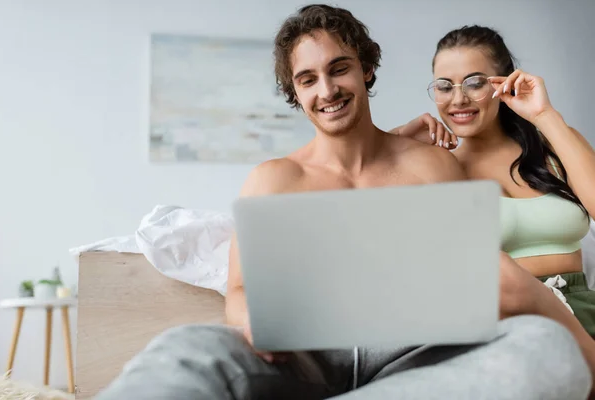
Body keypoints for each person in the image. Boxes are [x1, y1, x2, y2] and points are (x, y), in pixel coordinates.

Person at [95, 6, 594, 400]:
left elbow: (465, 278)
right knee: (183, 349)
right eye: (308, 79)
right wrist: (252, 324)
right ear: (294, 91)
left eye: (340, 70)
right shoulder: (273, 179)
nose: (327, 89)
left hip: (415, 355)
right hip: (303, 357)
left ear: (367, 70)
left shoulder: (431, 166)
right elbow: (242, 289)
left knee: (547, 351)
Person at [397, 25, 595, 337]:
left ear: (504, 83)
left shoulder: (555, 146)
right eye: (444, 86)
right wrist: (395, 144)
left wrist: (544, 115)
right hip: (503, 323)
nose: (458, 99)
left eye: (474, 83)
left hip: (584, 311)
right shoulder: (437, 169)